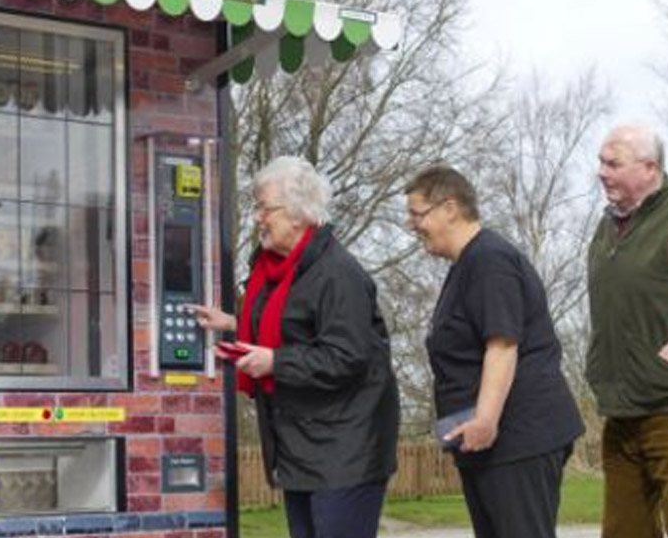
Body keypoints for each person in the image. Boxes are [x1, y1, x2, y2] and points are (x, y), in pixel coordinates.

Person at [189, 156, 398, 538]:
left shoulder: (339, 275)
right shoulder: (275, 269)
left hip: (344, 452)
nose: (257, 217)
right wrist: (233, 324)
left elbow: (345, 357)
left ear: (299, 214)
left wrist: (274, 362)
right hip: (301, 448)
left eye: (265, 207)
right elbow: (290, 325)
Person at [404, 165, 583, 538]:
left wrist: (485, 419)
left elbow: (502, 345)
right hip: (489, 444)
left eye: (417, 214)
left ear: (449, 208)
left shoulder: (490, 261)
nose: (412, 225)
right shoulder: (465, 265)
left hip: (517, 438)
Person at [586, 124, 668, 538]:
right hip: (621, 409)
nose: (601, 172)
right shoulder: (608, 228)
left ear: (649, 168)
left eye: (613, 163)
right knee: (624, 531)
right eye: (600, 162)